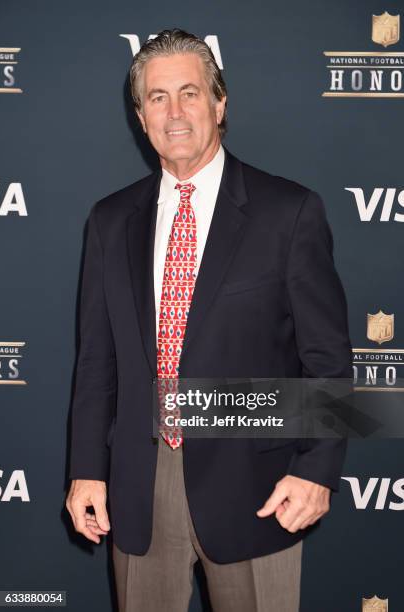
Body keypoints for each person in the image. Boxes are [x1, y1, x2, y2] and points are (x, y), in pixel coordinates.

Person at [66, 28, 352, 612]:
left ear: (221, 104)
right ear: (139, 115)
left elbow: (328, 358)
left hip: (259, 487)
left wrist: (318, 469)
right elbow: (98, 361)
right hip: (139, 487)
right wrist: (87, 470)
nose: (174, 112)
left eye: (190, 93)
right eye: (156, 97)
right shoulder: (109, 220)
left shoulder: (289, 211)